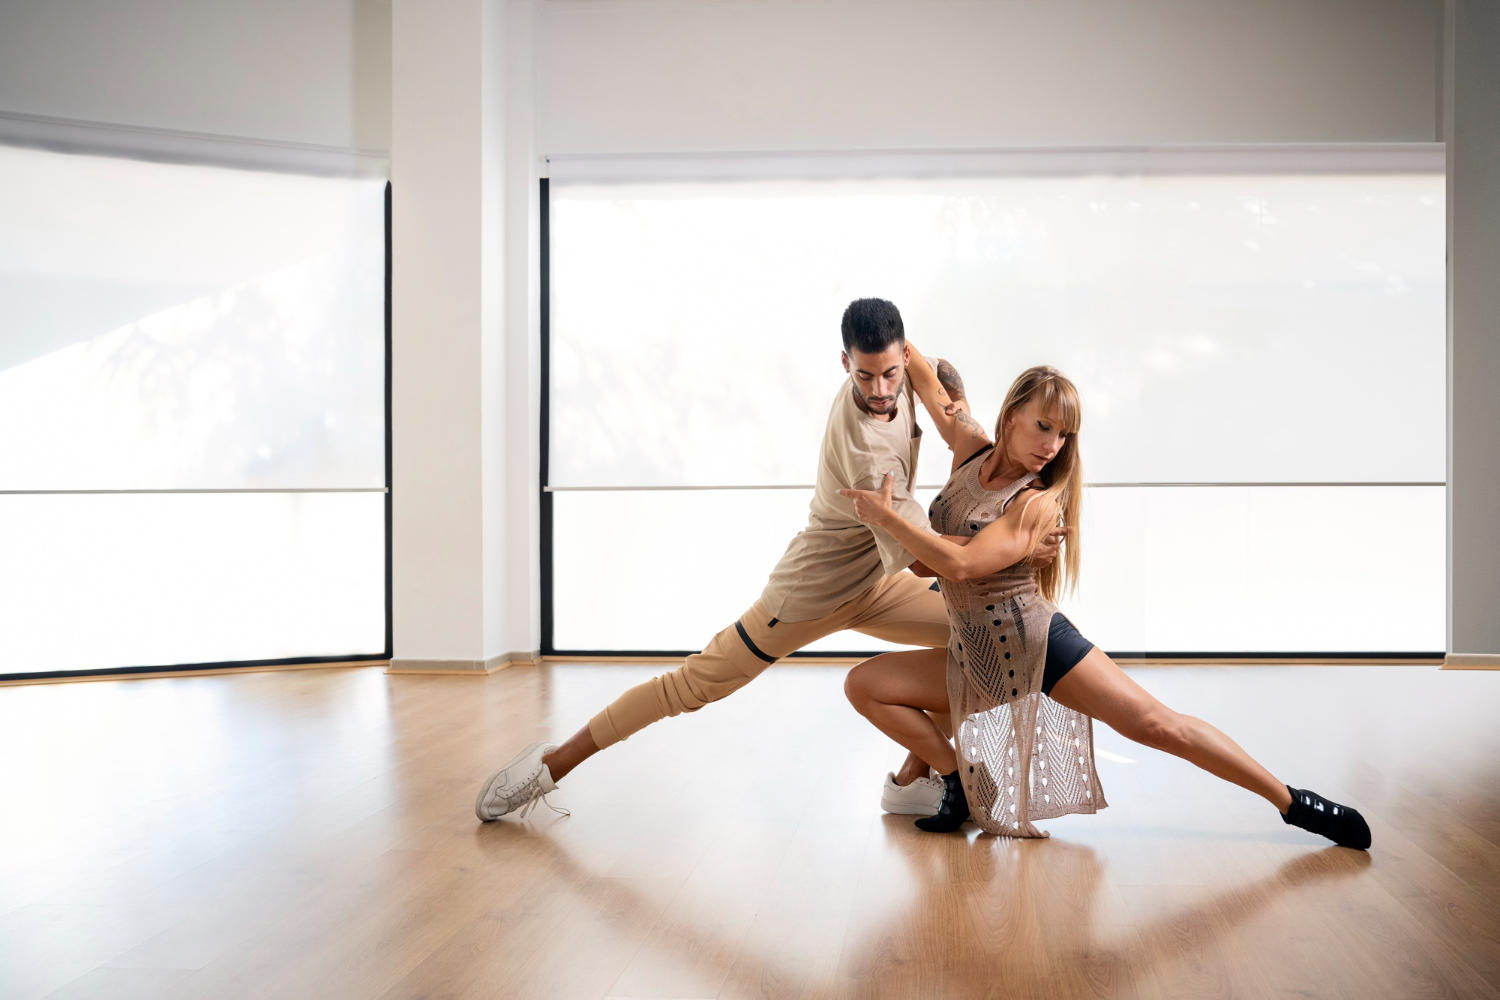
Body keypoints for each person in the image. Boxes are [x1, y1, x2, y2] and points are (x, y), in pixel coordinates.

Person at [475, 298, 1059, 822]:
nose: (880, 389)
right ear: (843, 363)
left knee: (994, 641)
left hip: (875, 581)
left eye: (889, 372)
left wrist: (949, 407)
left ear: (902, 355)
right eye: (864, 375)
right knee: (689, 686)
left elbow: (930, 380)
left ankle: (911, 781)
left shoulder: (901, 371)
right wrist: (1019, 541)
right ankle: (550, 766)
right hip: (809, 594)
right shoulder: (866, 452)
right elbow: (932, 564)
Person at [839, 355, 1372, 849]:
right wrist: (893, 337)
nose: (1052, 445)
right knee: (864, 685)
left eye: (1064, 434)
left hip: (1036, 644)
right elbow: (927, 391)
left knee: (1157, 725)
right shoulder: (971, 448)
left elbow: (957, 565)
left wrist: (889, 519)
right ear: (1009, 418)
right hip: (974, 654)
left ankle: (1294, 802)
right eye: (1042, 425)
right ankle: (958, 777)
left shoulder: (1035, 503)